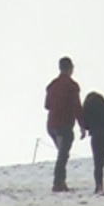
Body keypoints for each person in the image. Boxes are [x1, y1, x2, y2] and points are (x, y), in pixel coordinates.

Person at [44, 56, 84, 192]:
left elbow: (47, 105)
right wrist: (83, 126)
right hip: (64, 125)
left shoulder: (52, 85)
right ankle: (58, 183)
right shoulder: (72, 86)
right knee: (63, 154)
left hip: (51, 126)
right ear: (70, 68)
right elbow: (77, 107)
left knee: (62, 153)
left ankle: (60, 181)